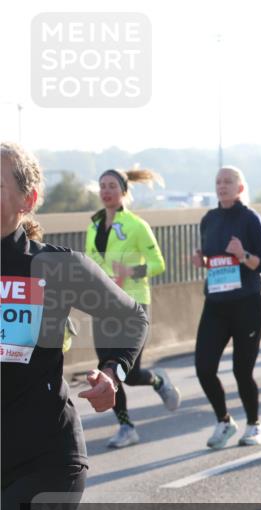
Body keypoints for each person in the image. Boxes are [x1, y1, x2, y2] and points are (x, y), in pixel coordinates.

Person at [2, 142, 148, 510]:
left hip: (45, 459)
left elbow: (129, 319)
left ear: (28, 199)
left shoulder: (53, 267)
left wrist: (112, 372)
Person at [86, 167, 180, 449]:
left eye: (112, 185)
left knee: (131, 372)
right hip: (102, 306)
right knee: (107, 371)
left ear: (124, 191)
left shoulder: (137, 225)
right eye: (102, 186)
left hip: (133, 305)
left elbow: (159, 264)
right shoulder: (92, 226)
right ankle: (126, 427)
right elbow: (89, 265)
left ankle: (156, 381)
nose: (106, 191)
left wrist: (131, 270)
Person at [191, 166, 261, 449]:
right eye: (218, 181)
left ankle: (254, 424)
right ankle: (224, 421)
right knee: (203, 367)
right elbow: (214, 260)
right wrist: (201, 261)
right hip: (216, 302)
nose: (222, 186)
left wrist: (243, 255)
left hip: (247, 302)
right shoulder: (209, 219)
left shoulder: (250, 218)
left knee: (242, 370)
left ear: (240, 188)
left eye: (228, 181)